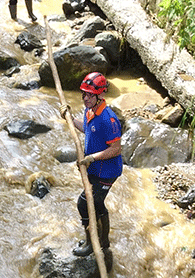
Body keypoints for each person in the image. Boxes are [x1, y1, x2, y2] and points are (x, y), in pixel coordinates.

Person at [60, 72, 123, 256]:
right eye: (84, 94)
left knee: (85, 204)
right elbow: (87, 129)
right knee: (97, 204)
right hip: (94, 168)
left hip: (107, 171)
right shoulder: (90, 112)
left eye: (90, 95)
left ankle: (91, 243)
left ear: (100, 95)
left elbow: (116, 149)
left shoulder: (108, 119)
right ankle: (103, 242)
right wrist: (70, 119)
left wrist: (92, 158)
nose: (85, 98)